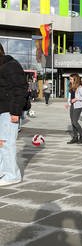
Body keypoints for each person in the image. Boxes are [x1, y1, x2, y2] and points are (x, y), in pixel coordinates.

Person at [0, 43, 28, 186]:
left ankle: (12, 175)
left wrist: (16, 112)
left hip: (9, 111)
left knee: (6, 143)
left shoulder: (10, 65)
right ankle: (3, 172)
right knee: (1, 143)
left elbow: (21, 88)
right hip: (2, 111)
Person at [66, 74, 82, 144]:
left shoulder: (80, 87)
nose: (70, 80)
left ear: (75, 79)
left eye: (71, 79)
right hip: (72, 106)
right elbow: (70, 97)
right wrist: (68, 104)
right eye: (70, 79)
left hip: (78, 106)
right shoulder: (71, 86)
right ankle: (75, 137)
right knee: (72, 122)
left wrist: (76, 99)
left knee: (75, 122)